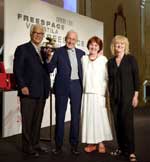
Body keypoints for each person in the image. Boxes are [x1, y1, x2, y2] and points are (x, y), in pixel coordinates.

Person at [13, 24, 50, 157]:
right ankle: (27, 146)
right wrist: (22, 86)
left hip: (41, 92)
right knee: (28, 121)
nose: (38, 35)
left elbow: (45, 71)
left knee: (37, 120)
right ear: (31, 33)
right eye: (36, 33)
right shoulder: (22, 49)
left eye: (41, 34)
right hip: (28, 91)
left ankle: (35, 144)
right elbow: (18, 69)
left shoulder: (43, 51)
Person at [47, 30, 85, 155]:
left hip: (76, 86)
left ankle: (74, 145)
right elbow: (50, 68)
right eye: (69, 38)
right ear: (65, 39)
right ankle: (58, 146)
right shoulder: (58, 52)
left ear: (76, 41)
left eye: (73, 39)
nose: (70, 41)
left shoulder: (82, 54)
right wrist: (48, 57)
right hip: (61, 86)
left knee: (75, 117)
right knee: (60, 116)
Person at [107, 35, 139, 162]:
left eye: (122, 44)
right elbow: (110, 81)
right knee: (117, 124)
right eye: (117, 44)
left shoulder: (131, 59)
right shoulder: (110, 62)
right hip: (115, 98)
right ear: (113, 46)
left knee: (127, 124)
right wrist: (109, 96)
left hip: (128, 97)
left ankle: (131, 151)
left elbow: (136, 78)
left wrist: (136, 96)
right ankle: (120, 148)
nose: (119, 46)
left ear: (125, 46)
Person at [81, 36, 113, 153]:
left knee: (99, 118)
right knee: (88, 119)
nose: (93, 47)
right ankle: (91, 143)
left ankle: (101, 142)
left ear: (99, 48)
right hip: (87, 93)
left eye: (96, 45)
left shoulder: (103, 60)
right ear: (88, 45)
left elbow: (108, 77)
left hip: (99, 94)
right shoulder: (83, 59)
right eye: (91, 44)